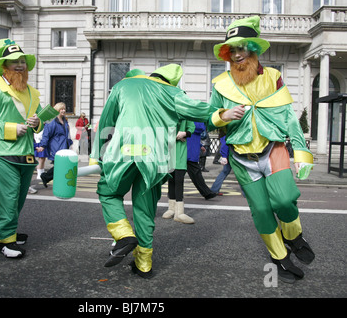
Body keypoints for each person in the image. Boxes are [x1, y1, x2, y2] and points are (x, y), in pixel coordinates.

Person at [208, 16, 315, 283]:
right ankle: (279, 257)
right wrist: (223, 114)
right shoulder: (220, 83)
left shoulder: (273, 77)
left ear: (253, 50)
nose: (236, 55)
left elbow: (290, 118)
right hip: (242, 158)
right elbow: (209, 116)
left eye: (241, 48)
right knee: (262, 212)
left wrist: (300, 154)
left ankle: (292, 235)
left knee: (284, 199)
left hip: (273, 148)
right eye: (231, 50)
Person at [90, 64, 211, 278]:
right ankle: (144, 265)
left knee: (109, 193)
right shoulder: (173, 92)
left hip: (124, 150)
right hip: (155, 156)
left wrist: (95, 155)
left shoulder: (123, 85)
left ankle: (124, 235)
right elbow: (200, 111)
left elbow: (107, 121)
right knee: (145, 209)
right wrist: (225, 113)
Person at [0, 38, 44, 258]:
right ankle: (7, 241)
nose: (19, 64)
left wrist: (38, 123)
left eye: (22, 60)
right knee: (9, 196)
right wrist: (10, 128)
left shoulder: (32, 92)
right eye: (14, 60)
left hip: (25, 154)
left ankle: (3, 231)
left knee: (18, 197)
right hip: (0, 153)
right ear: (4, 66)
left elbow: (40, 117)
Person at [162, 121, 198, 224]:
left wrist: (185, 133)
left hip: (180, 152)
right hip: (169, 152)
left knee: (179, 180)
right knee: (171, 179)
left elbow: (192, 128)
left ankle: (179, 212)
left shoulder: (185, 112)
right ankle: (171, 208)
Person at [37, 102, 73, 188]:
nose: (63, 111)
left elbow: (66, 134)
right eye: (61, 109)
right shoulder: (52, 121)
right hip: (55, 147)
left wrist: (69, 143)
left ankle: (46, 177)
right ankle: (46, 177)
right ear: (57, 110)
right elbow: (46, 135)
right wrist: (42, 146)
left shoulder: (64, 120)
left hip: (64, 147)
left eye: (64, 109)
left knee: (61, 166)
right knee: (60, 166)